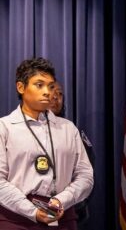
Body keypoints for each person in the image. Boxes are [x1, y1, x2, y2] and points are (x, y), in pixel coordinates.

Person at [0, 57, 94, 229]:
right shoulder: (4, 127)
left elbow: (85, 176)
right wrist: (32, 211)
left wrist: (60, 200)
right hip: (16, 218)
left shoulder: (68, 128)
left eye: (51, 86)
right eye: (39, 85)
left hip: (63, 214)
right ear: (21, 87)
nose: (47, 92)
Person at [49, 82, 96, 230]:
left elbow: (86, 173)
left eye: (60, 93)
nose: (56, 97)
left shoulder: (72, 132)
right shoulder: (17, 129)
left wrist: (71, 203)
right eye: (52, 92)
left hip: (70, 212)